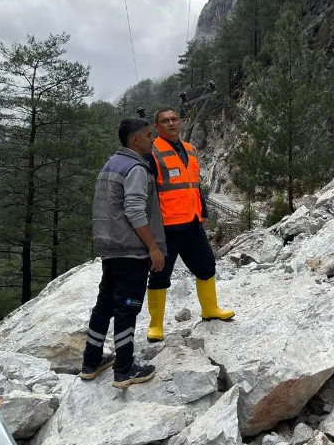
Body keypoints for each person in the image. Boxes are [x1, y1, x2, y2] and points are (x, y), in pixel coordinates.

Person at [79, 117, 167, 388]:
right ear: (135, 140)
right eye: (149, 135)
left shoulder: (110, 164)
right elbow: (135, 210)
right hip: (131, 250)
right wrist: (153, 247)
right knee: (127, 308)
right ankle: (125, 369)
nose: (153, 139)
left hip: (110, 247)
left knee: (104, 305)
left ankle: (91, 362)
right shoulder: (136, 168)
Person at [145, 106, 234, 342]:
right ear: (157, 126)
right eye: (165, 121)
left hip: (192, 222)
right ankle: (156, 326)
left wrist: (203, 210)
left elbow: (194, 185)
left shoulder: (191, 150)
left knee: (206, 266)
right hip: (166, 226)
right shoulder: (151, 152)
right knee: (160, 274)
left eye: (174, 119)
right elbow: (146, 191)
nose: (171, 123)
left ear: (180, 122)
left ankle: (210, 309)